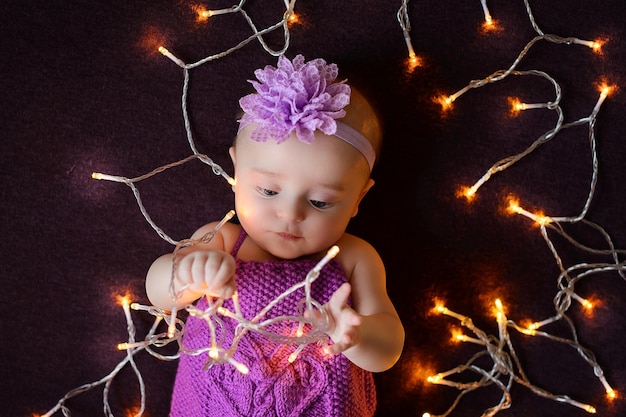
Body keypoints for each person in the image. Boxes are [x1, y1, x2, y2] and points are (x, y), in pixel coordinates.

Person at [145, 54, 404, 417]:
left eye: (319, 201)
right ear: (236, 170)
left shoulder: (353, 258)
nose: (290, 214)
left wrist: (357, 335)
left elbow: (389, 347)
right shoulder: (220, 240)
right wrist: (186, 274)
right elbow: (159, 295)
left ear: (358, 198)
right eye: (268, 191)